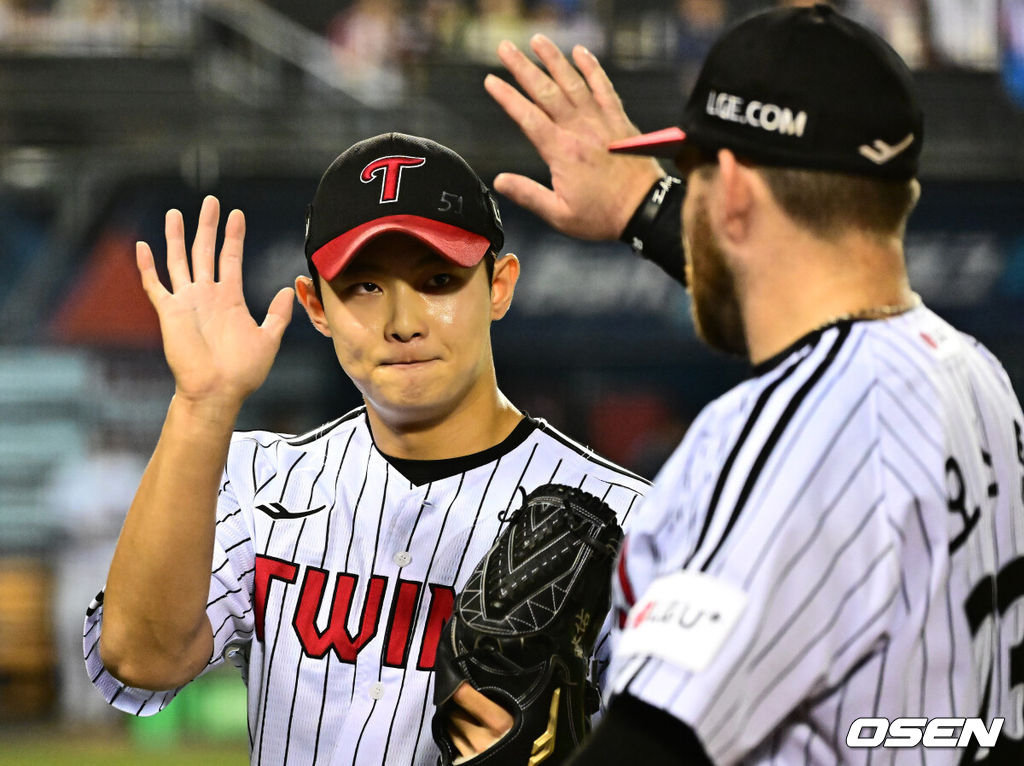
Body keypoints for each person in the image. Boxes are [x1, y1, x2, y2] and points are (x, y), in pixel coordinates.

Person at [486, 6, 1024, 764]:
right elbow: (817, 346)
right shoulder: (973, 376)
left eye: (693, 175)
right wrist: (649, 206)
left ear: (732, 187)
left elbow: (654, 748)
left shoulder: (777, 438)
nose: (688, 195)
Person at [82, 132, 649, 766]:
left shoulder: (629, 521)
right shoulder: (260, 481)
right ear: (315, 306)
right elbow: (140, 660)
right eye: (364, 287)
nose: (403, 321)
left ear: (499, 286)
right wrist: (201, 405)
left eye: (438, 280)